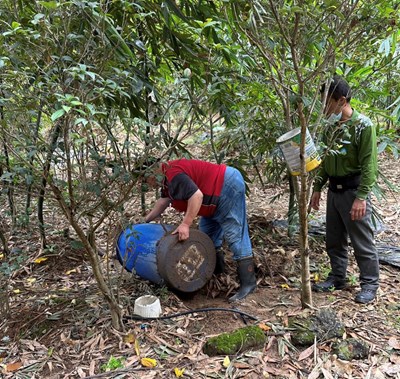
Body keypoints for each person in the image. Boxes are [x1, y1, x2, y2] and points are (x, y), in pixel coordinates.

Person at [144, 158, 256, 302]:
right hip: (212, 199)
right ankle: (217, 273)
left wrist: (185, 224)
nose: (147, 184)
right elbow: (163, 201)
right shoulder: (166, 181)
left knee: (235, 233)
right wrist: (145, 221)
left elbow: (196, 196)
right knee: (207, 238)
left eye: (146, 179)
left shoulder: (173, 174)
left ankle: (249, 283)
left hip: (226, 186)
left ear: (154, 171)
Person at [310, 75, 379, 304]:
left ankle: (369, 284)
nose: (324, 108)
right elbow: (326, 160)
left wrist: (361, 197)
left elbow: (369, 165)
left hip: (353, 191)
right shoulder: (330, 128)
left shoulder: (363, 126)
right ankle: (338, 277)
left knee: (362, 241)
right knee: (334, 238)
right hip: (334, 191)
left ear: (341, 101)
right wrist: (318, 187)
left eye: (327, 102)